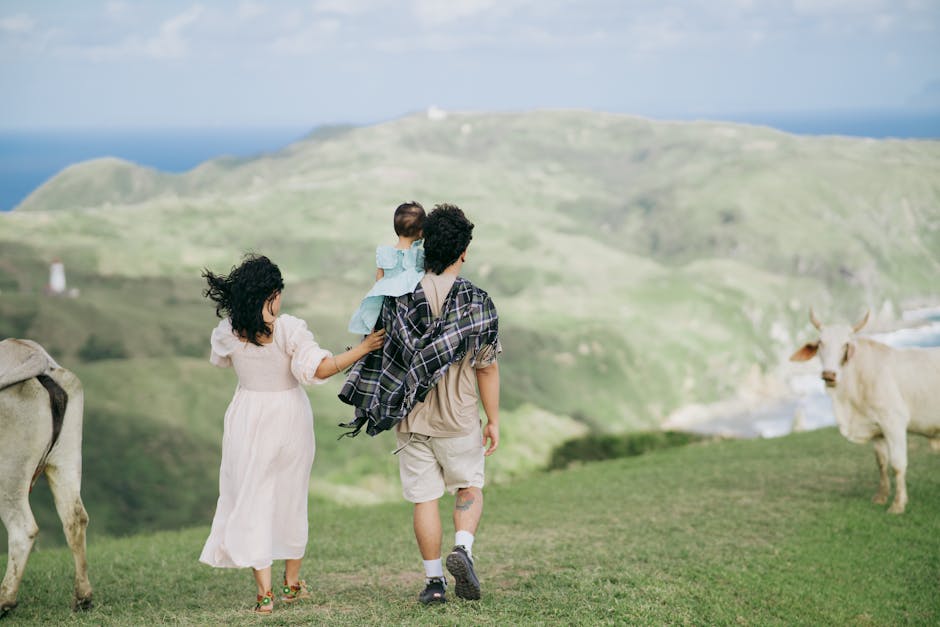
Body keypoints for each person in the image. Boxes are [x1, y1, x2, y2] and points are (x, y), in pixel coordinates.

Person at [198, 254, 384, 614]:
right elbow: (320, 368)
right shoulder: (288, 330)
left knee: (253, 498)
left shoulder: (228, 333)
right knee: (291, 498)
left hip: (247, 415)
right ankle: (292, 585)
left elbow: (221, 360)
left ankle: (264, 595)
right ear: (273, 294)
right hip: (289, 417)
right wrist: (361, 349)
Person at [338, 204, 501, 605]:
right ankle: (462, 548)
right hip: (459, 417)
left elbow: (380, 343)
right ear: (463, 251)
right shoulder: (477, 301)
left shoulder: (400, 296)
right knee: (469, 484)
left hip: (411, 417)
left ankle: (433, 583)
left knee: (424, 498)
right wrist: (493, 419)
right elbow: (487, 368)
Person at [348, 201, 426, 335]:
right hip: (410, 307)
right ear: (421, 232)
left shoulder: (384, 252)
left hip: (388, 305)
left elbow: (379, 279)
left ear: (396, 229)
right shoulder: (420, 255)